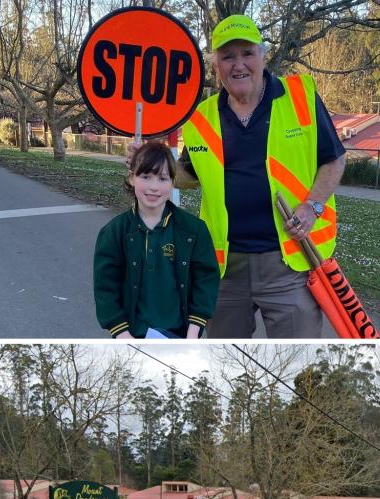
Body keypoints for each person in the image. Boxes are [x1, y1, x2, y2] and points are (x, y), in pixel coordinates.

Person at [131, 15, 347, 338]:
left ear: (263, 55)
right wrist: (147, 165)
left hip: (289, 263)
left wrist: (312, 207)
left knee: (297, 363)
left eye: (247, 53)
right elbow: (188, 175)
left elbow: (334, 159)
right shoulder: (201, 118)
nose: (238, 64)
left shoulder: (299, 96)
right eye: (227, 56)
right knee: (225, 366)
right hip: (224, 269)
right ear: (215, 64)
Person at [94, 140, 219, 339]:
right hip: (132, 335)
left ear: (173, 182)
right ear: (132, 177)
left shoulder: (194, 230)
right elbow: (105, 288)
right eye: (146, 177)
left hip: (181, 334)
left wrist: (193, 333)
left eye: (163, 179)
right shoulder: (113, 232)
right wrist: (121, 334)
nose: (154, 187)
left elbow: (206, 281)